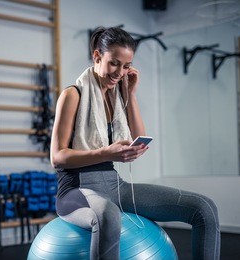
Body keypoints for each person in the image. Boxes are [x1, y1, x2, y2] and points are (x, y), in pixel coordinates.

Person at [50, 26, 220, 260]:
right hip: (76, 190)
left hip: (114, 186)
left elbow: (139, 135)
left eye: (126, 65)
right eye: (114, 63)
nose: (119, 72)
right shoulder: (73, 95)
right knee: (109, 215)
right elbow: (57, 157)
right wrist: (105, 153)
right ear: (97, 56)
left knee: (204, 208)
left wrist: (131, 93)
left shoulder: (117, 94)